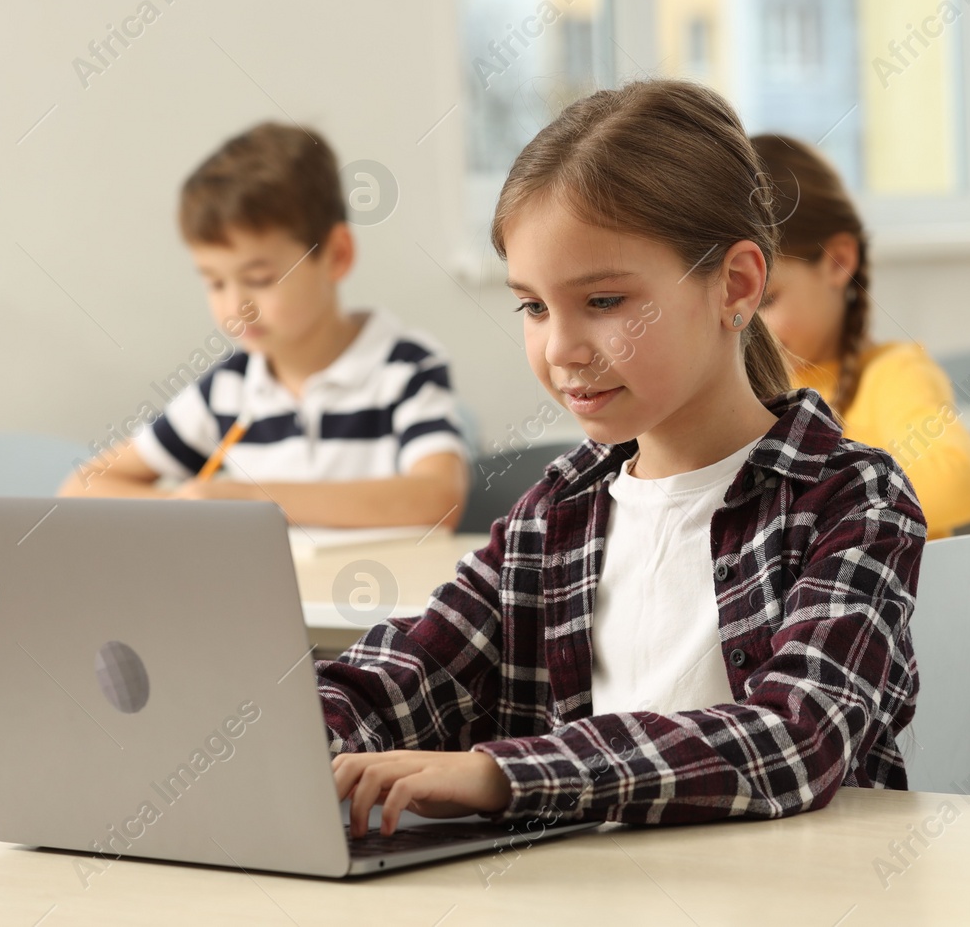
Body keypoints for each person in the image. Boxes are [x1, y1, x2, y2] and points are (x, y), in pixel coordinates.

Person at [320, 80, 925, 837]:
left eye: (603, 302)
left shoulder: (851, 500)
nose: (561, 349)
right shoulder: (558, 514)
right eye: (534, 308)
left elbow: (795, 739)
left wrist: (508, 772)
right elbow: (409, 672)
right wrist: (286, 735)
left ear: (735, 285)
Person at [57, 122, 470, 528]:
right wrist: (189, 506)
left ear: (337, 255)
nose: (237, 306)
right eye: (215, 282)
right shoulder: (226, 390)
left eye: (260, 279)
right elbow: (81, 486)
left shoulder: (404, 368)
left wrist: (254, 500)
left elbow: (436, 497)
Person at [752, 134, 970, 538]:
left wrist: (806, 513)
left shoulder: (894, 374)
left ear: (837, 261)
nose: (747, 330)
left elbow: (960, 483)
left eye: (768, 299)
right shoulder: (753, 391)